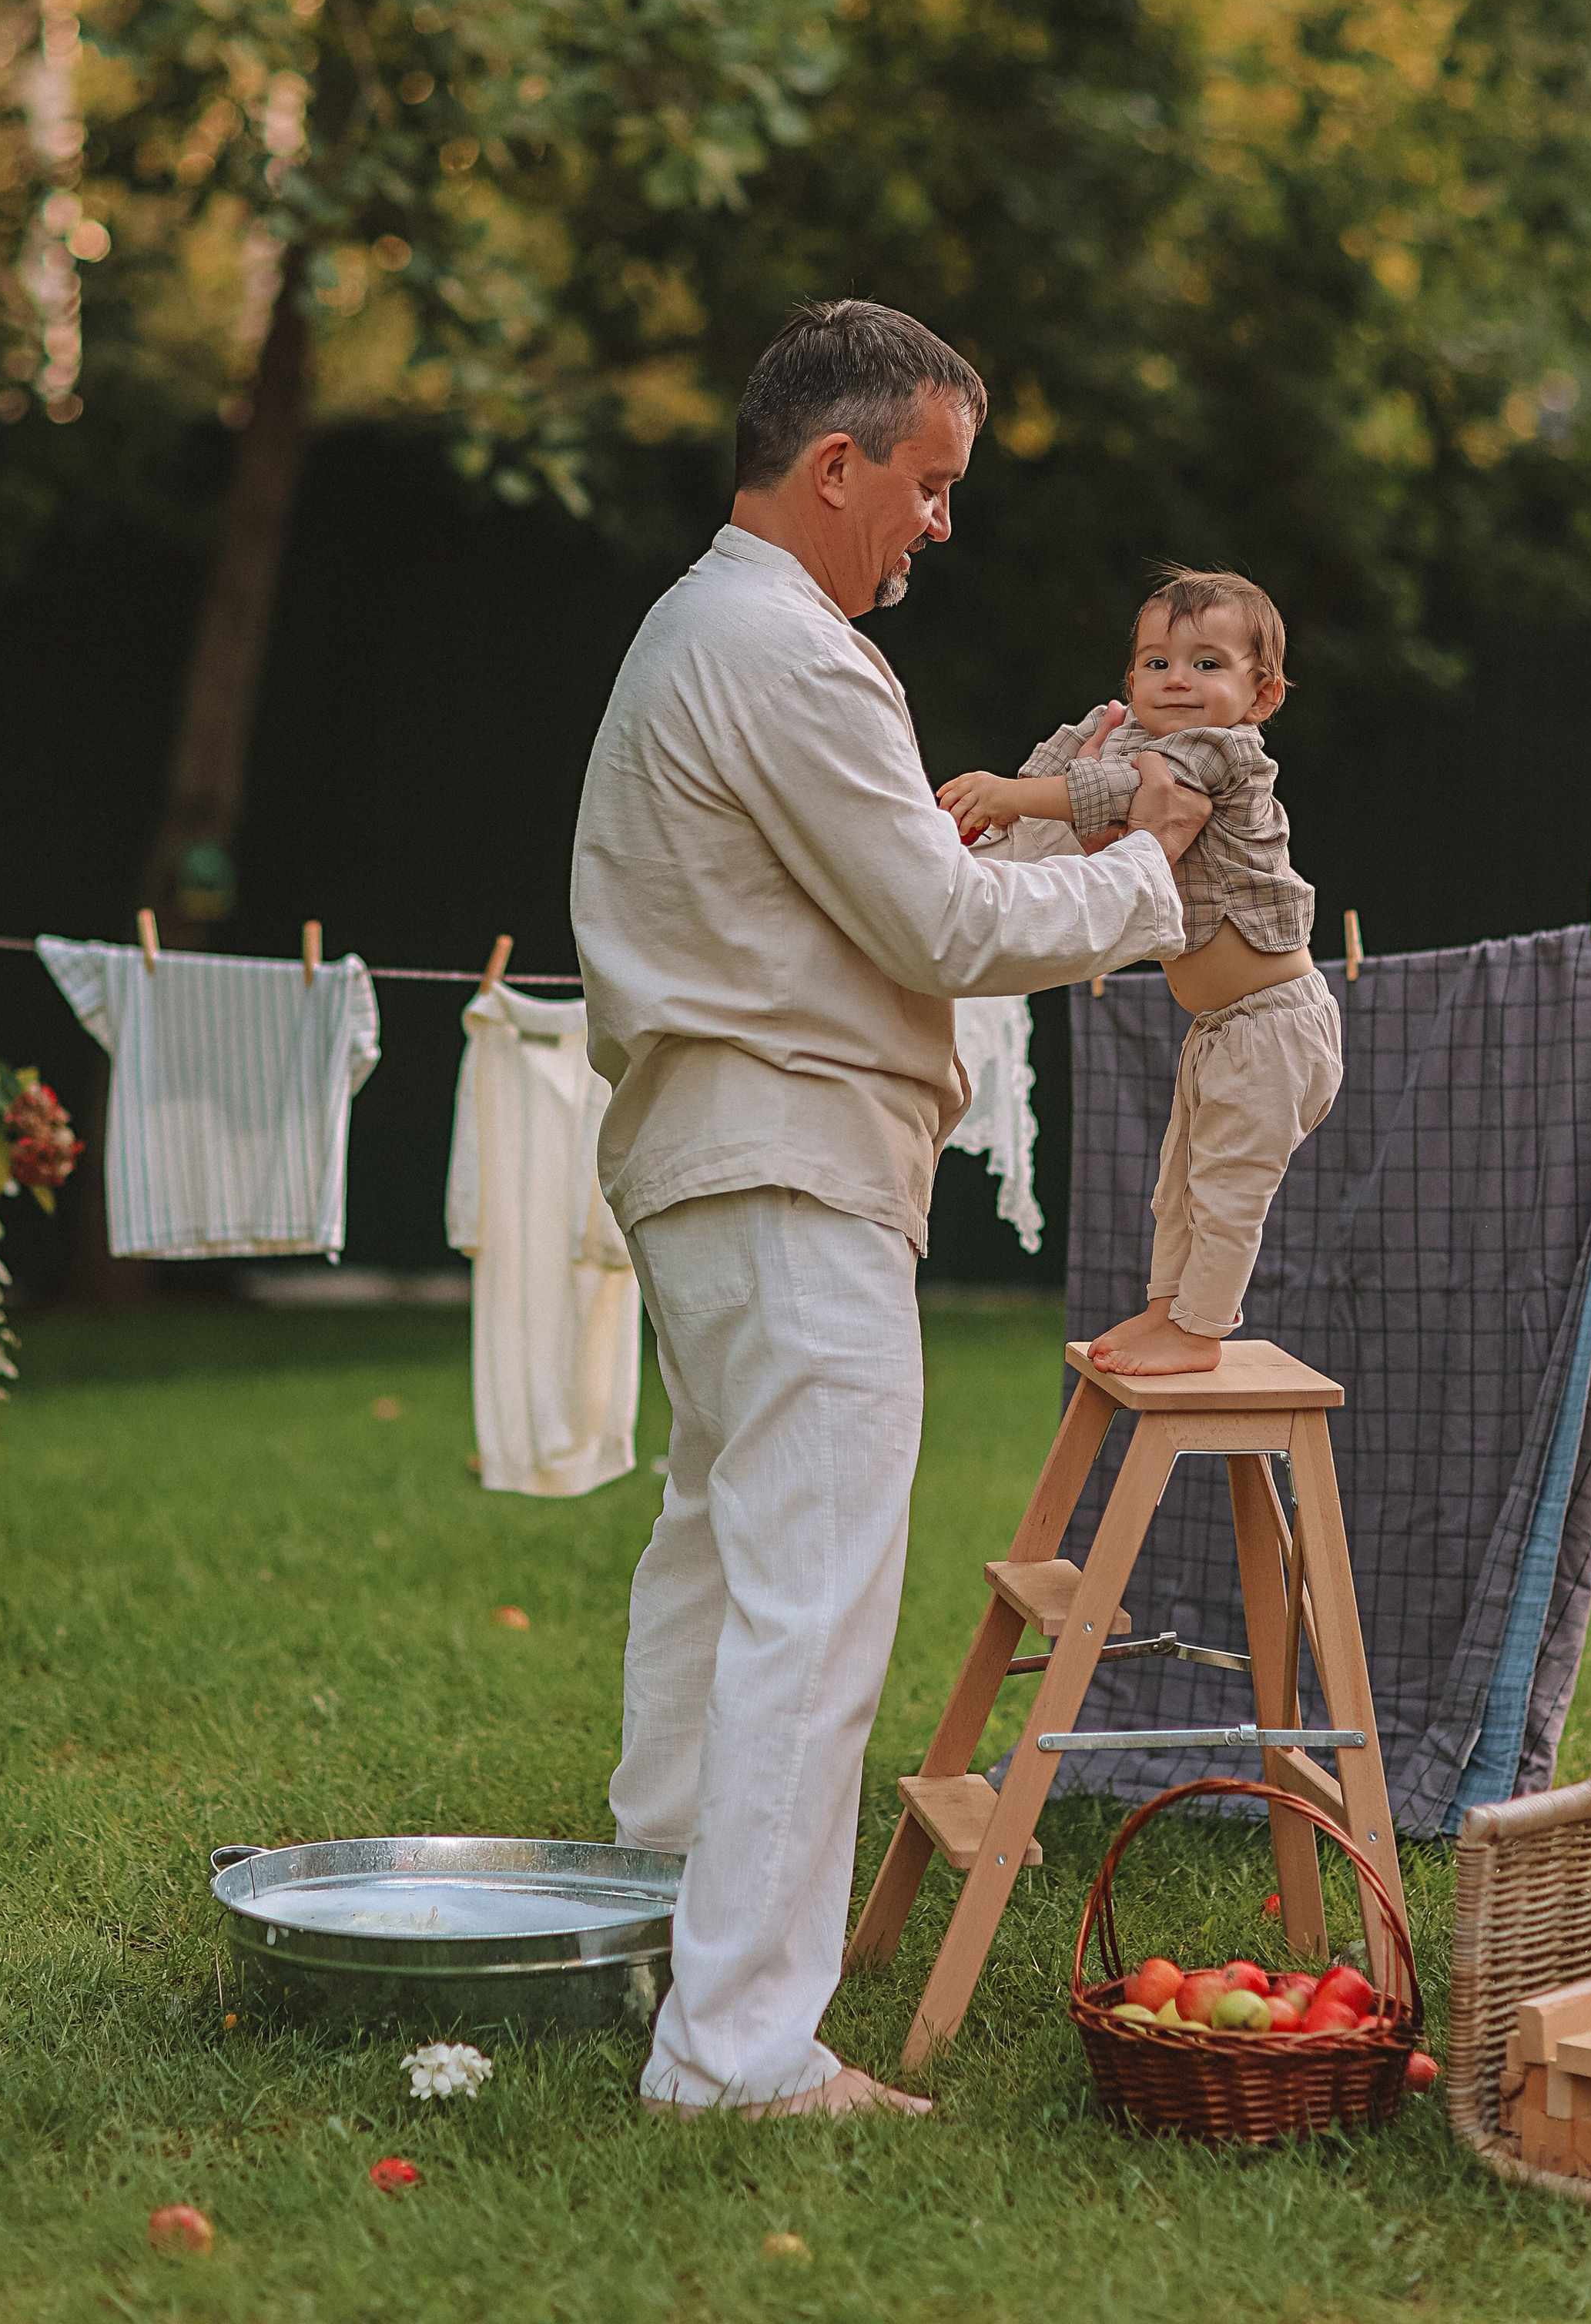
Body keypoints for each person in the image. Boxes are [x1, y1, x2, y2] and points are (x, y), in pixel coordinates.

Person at [571, 300, 1209, 2116]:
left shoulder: (709, 630)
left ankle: (660, 1944)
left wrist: (1026, 836)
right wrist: (1140, 863)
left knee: (717, 1559)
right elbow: (936, 933)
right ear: (832, 462)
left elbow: (890, 894)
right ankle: (740, 2047)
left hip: (720, 1159)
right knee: (809, 1598)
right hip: (786, 1170)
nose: (940, 519)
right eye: (926, 483)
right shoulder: (783, 649)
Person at [937, 565, 1341, 1381]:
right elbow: (1075, 763)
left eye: (1206, 664)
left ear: (1261, 697)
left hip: (1274, 1024)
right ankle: (1168, 1313)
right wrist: (1012, 795)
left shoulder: (1223, 754)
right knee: (1180, 1188)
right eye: (1156, 664)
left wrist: (1010, 795)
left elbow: (1112, 791)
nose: (1178, 681)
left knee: (1226, 1191)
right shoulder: (1138, 740)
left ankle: (1200, 1329)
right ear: (1130, 679)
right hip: (1221, 1029)